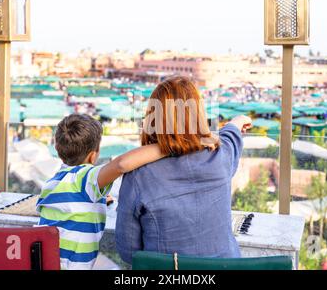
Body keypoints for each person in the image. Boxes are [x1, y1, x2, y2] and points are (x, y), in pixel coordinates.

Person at [116, 77, 252, 264]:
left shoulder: (138, 176)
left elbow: (129, 253)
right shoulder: (221, 157)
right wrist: (238, 121)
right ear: (199, 114)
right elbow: (230, 136)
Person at [36, 114, 167, 270]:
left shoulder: (52, 183)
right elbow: (121, 165)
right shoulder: (85, 179)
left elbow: (69, 207)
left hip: (45, 262)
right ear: (93, 155)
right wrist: (169, 146)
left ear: (57, 148)